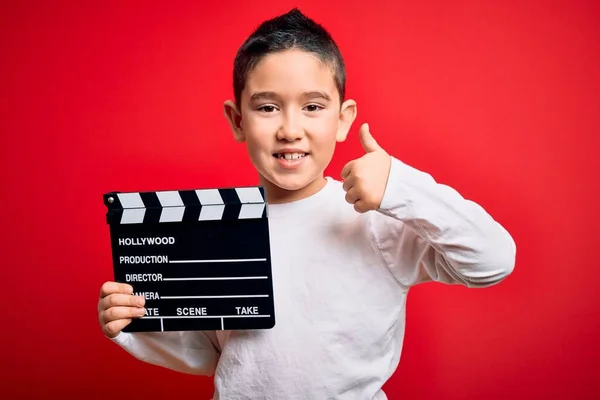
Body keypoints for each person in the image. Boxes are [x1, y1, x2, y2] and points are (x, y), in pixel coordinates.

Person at [97, 8, 516, 399]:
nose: (290, 129)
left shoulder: (374, 219)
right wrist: (136, 322)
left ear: (343, 118)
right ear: (238, 120)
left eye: (313, 107)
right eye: (267, 108)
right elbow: (211, 353)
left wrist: (400, 186)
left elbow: (492, 260)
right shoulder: (215, 230)